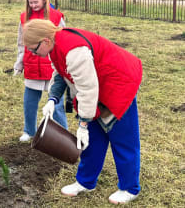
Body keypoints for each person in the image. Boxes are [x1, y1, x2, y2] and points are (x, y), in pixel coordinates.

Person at [22, 19, 142, 205]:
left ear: (45, 41)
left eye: (33, 49)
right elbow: (60, 74)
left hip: (119, 82)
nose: (32, 53)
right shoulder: (54, 46)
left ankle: (129, 187)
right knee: (92, 138)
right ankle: (86, 182)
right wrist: (53, 99)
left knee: (123, 138)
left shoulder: (74, 50)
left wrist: (84, 123)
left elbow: (87, 89)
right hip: (98, 84)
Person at [13, 0, 67, 142]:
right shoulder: (24, 18)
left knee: (56, 105)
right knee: (29, 103)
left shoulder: (56, 17)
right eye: (30, 3)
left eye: (36, 2)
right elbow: (21, 43)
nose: (33, 5)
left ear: (44, 0)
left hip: (52, 68)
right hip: (32, 67)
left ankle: (63, 135)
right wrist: (19, 63)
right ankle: (29, 131)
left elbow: (64, 39)